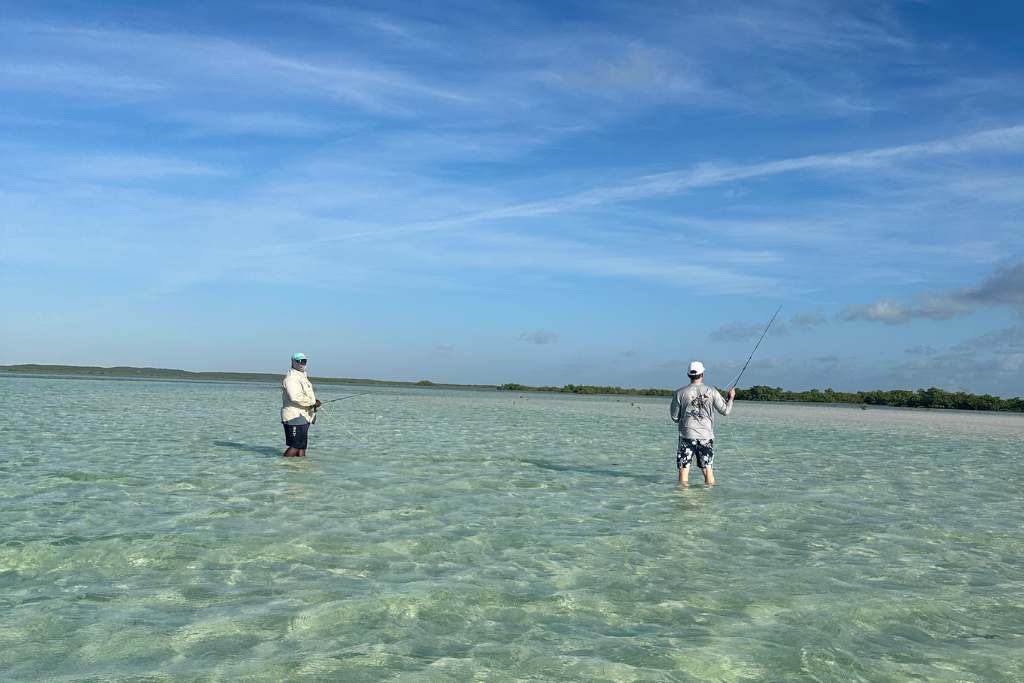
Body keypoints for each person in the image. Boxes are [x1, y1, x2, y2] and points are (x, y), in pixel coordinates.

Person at [670, 360, 735, 486]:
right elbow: (726, 411)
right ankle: (709, 500)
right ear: (702, 374)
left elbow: (674, 418)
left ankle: (683, 500)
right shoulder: (712, 391)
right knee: (708, 470)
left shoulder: (679, 393)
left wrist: (684, 419)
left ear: (688, 375)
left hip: (686, 436)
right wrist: (731, 398)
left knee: (684, 472)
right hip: (706, 437)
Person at [281, 352, 320, 457]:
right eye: (299, 361)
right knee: (295, 446)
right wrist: (312, 402)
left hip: (304, 416)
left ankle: (301, 468)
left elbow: (304, 395)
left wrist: (314, 403)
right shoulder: (291, 378)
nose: (301, 363)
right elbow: (295, 397)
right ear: (293, 362)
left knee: (302, 446)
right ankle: (281, 466)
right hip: (294, 416)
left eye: (304, 361)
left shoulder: (302, 376)